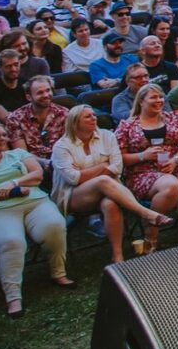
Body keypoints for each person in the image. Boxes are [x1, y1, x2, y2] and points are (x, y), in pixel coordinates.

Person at [0, 120, 72, 315]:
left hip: (34, 202)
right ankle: (13, 298)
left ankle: (59, 273)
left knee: (54, 224)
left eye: (4, 135)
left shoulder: (18, 155)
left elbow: (37, 175)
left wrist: (12, 183)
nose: (3, 138)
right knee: (12, 242)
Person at [51, 104, 171, 261]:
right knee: (103, 180)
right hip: (74, 195)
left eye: (94, 114)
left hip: (109, 191)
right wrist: (102, 166)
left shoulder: (107, 136)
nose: (94, 118)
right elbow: (73, 178)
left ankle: (118, 256)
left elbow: (117, 167)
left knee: (110, 204)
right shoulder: (61, 146)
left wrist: (86, 172)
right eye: (88, 116)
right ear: (75, 122)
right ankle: (145, 213)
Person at [117, 83, 178, 247]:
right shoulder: (127, 125)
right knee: (171, 186)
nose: (159, 100)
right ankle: (151, 234)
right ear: (141, 101)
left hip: (174, 163)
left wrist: (176, 160)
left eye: (161, 96)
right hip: (142, 171)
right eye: (153, 97)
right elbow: (119, 157)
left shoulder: (173, 118)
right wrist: (142, 155)